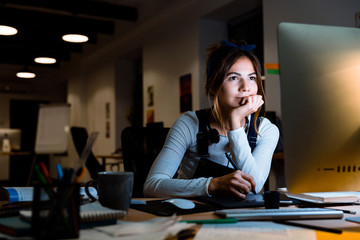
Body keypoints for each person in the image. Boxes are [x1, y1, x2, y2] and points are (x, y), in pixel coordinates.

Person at [143, 40, 279, 199]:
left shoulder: (266, 129)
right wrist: (212, 185)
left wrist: (234, 122)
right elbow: (152, 185)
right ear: (214, 85)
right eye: (234, 78)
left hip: (241, 215)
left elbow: (255, 185)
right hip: (193, 212)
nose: (246, 87)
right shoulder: (189, 124)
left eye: (252, 77)